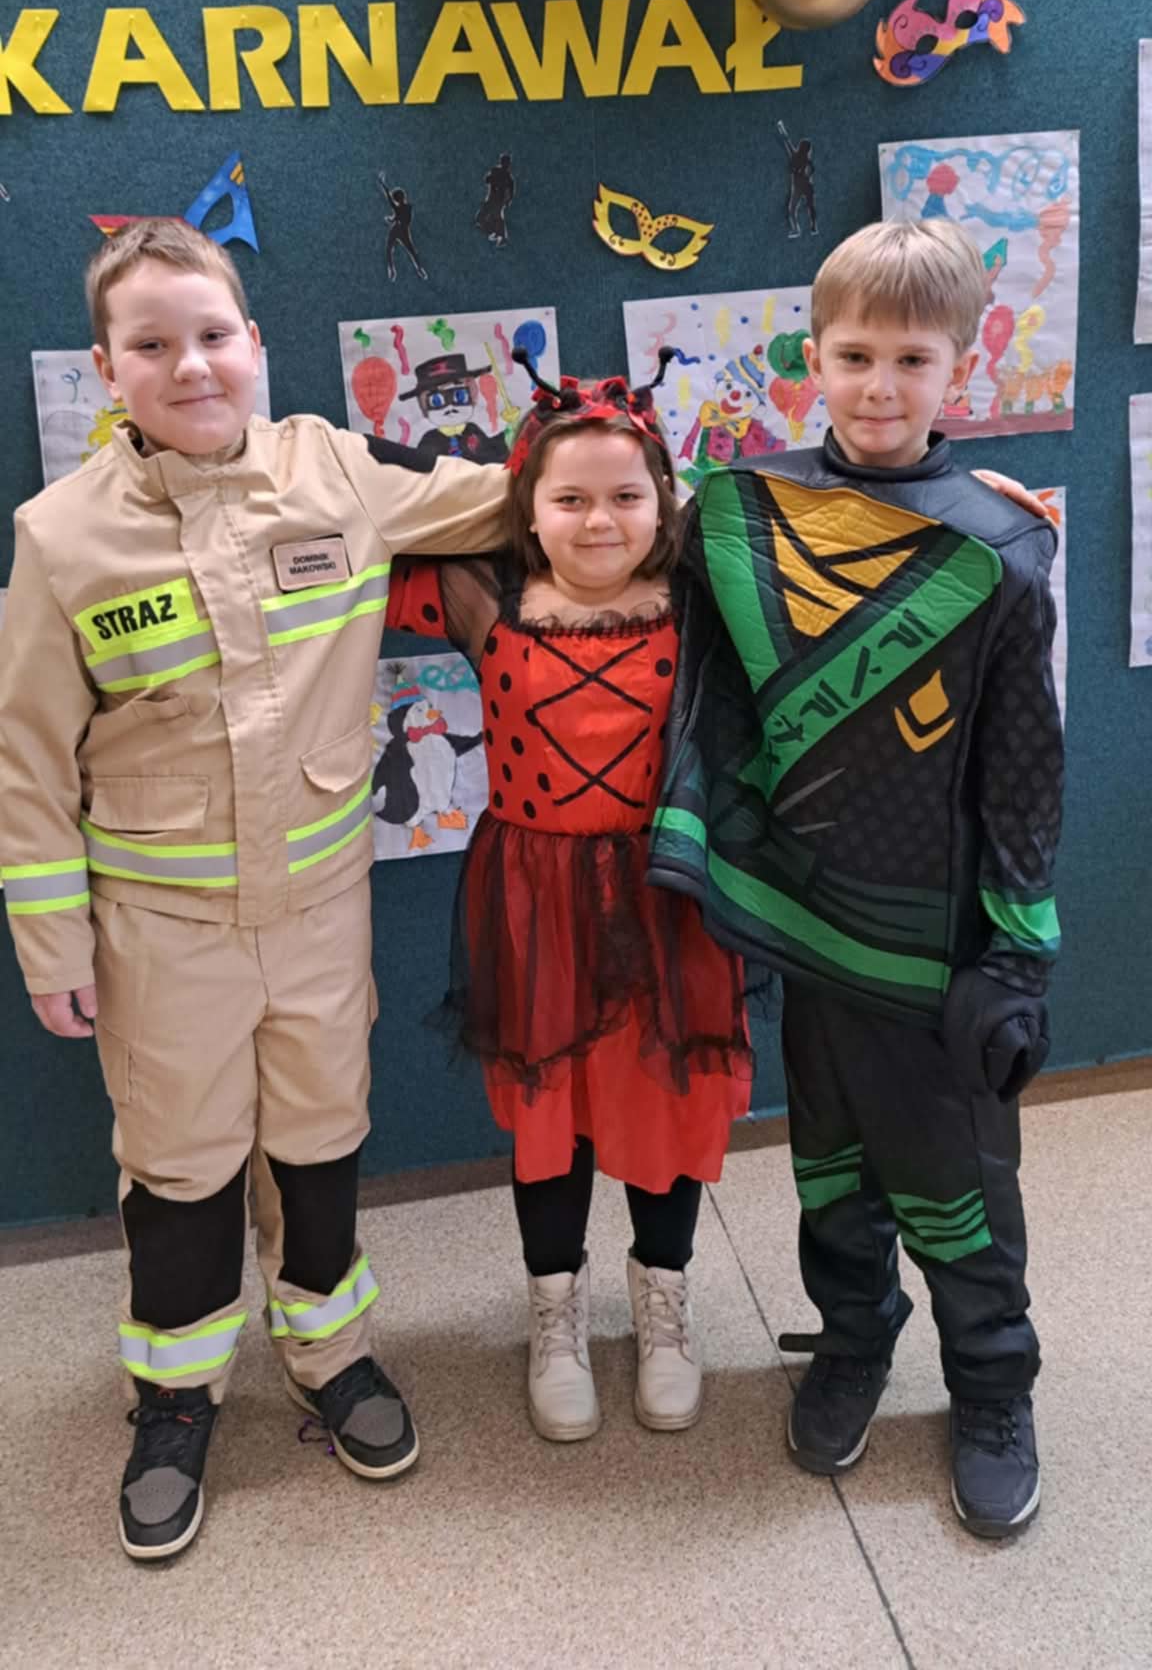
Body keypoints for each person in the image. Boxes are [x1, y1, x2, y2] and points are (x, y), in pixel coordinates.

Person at [0, 218, 507, 1562]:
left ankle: (331, 1354)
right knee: (181, 1165)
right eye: (152, 343)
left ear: (255, 342)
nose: (191, 365)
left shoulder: (337, 471)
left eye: (213, 334)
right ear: (108, 369)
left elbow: (534, 496)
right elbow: (26, 757)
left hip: (323, 909)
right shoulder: (61, 538)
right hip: (160, 932)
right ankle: (175, 1397)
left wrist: (716, 503)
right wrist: (52, 942)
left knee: (323, 1136)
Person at [649, 220, 1063, 1540]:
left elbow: (1023, 769)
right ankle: (853, 1338)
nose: (881, 386)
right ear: (812, 357)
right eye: (855, 355)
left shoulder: (1001, 549)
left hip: (938, 945)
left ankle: (992, 1384)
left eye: (912, 359)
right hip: (807, 923)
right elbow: (693, 671)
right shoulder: (736, 513)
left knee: (960, 1184)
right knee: (829, 1164)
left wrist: (1018, 953)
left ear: (961, 368)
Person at [384, 351, 752, 1443]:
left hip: (669, 890)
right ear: (527, 508)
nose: (600, 521)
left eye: (627, 495)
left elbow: (837, 536)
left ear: (666, 500)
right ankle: (556, 1312)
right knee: (551, 1113)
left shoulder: (706, 596)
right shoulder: (483, 594)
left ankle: (663, 1299)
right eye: (571, 498)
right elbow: (344, 530)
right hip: (534, 898)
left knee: (665, 1096)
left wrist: (976, 499)